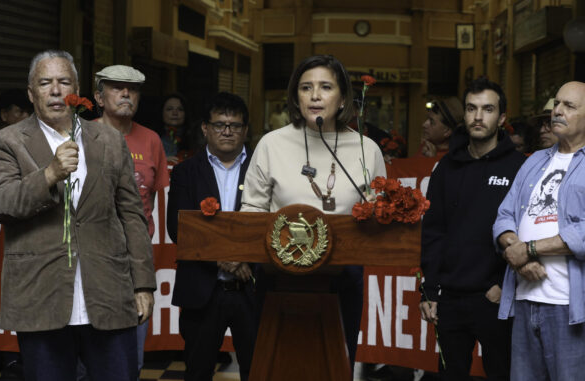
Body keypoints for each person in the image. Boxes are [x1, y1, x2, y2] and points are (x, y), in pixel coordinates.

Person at [0, 50, 156, 381]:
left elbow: (132, 215)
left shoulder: (108, 140)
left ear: (77, 90)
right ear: (32, 94)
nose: (56, 90)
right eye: (45, 83)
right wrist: (49, 174)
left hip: (109, 296)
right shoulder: (8, 142)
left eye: (64, 81)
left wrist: (143, 284)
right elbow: (1, 203)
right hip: (41, 300)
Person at [239, 55, 386, 371]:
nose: (315, 96)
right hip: (279, 277)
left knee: (335, 367)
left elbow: (378, 213)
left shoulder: (366, 150)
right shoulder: (271, 144)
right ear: (296, 97)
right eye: (306, 88)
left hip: (342, 279)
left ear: (343, 97)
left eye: (325, 87)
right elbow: (251, 209)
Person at [494, 81, 585, 381]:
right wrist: (518, 253)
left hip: (574, 306)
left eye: (569, 106)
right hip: (526, 299)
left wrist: (526, 250)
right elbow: (504, 216)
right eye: (557, 104)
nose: (558, 111)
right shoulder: (535, 161)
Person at [419, 78, 525, 381]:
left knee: (502, 374)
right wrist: (429, 290)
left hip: (495, 296)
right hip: (449, 298)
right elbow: (433, 232)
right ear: (463, 115)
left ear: (502, 118)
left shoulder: (520, 167)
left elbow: (528, 233)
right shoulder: (446, 168)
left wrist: (505, 285)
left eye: (488, 109)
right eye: (471, 108)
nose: (478, 117)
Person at [167, 92, 258, 381]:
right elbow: (178, 227)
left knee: (258, 371)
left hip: (252, 290)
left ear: (245, 130)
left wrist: (243, 257)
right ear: (205, 128)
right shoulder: (186, 172)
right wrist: (224, 259)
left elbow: (272, 224)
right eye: (220, 125)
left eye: (235, 125)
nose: (227, 131)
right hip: (202, 291)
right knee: (198, 371)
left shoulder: (263, 170)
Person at [93, 64, 169, 378]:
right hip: (94, 256)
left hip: (136, 259)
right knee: (89, 360)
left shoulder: (151, 140)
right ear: (98, 97)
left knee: (131, 360)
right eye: (116, 87)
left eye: (133, 89)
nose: (127, 94)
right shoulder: (82, 135)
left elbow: (154, 198)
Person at [157, 93, 198, 164]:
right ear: (161, 112)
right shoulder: (151, 137)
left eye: (180, 109)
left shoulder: (195, 138)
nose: (175, 113)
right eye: (169, 109)